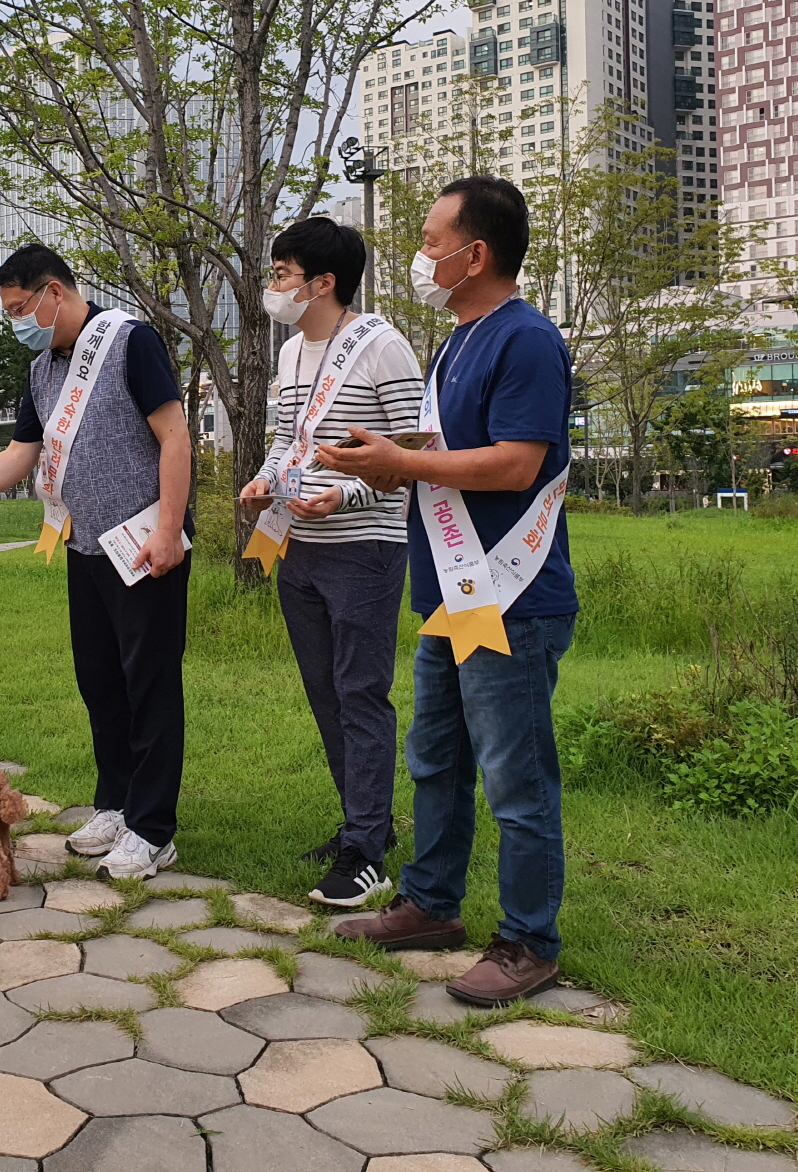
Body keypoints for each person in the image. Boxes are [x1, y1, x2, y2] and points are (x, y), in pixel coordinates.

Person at [317, 175, 577, 1007]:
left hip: (510, 595)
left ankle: (530, 941)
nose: (422, 256)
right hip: (448, 596)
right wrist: (374, 463)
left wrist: (401, 461)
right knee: (436, 757)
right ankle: (430, 904)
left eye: (433, 242)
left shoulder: (525, 340)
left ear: (478, 254)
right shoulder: (456, 340)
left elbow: (516, 462)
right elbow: (439, 455)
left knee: (515, 776)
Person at [0, 244, 192, 881]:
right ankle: (115, 803)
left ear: (54, 293)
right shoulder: (42, 369)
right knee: (100, 682)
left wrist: (170, 529)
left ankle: (153, 829)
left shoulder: (129, 341)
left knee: (148, 686)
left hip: (145, 544)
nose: (16, 322)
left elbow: (175, 436)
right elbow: (21, 455)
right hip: (84, 545)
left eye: (19, 308)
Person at [239, 216, 424, 909]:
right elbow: (284, 440)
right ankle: (362, 825)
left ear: (323, 282)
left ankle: (366, 851)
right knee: (325, 694)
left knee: (359, 693)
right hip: (302, 549)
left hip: (366, 550)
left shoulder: (382, 347)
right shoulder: (290, 355)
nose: (273, 287)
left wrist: (342, 493)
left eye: (282, 275)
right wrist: (265, 481)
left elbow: (413, 452)